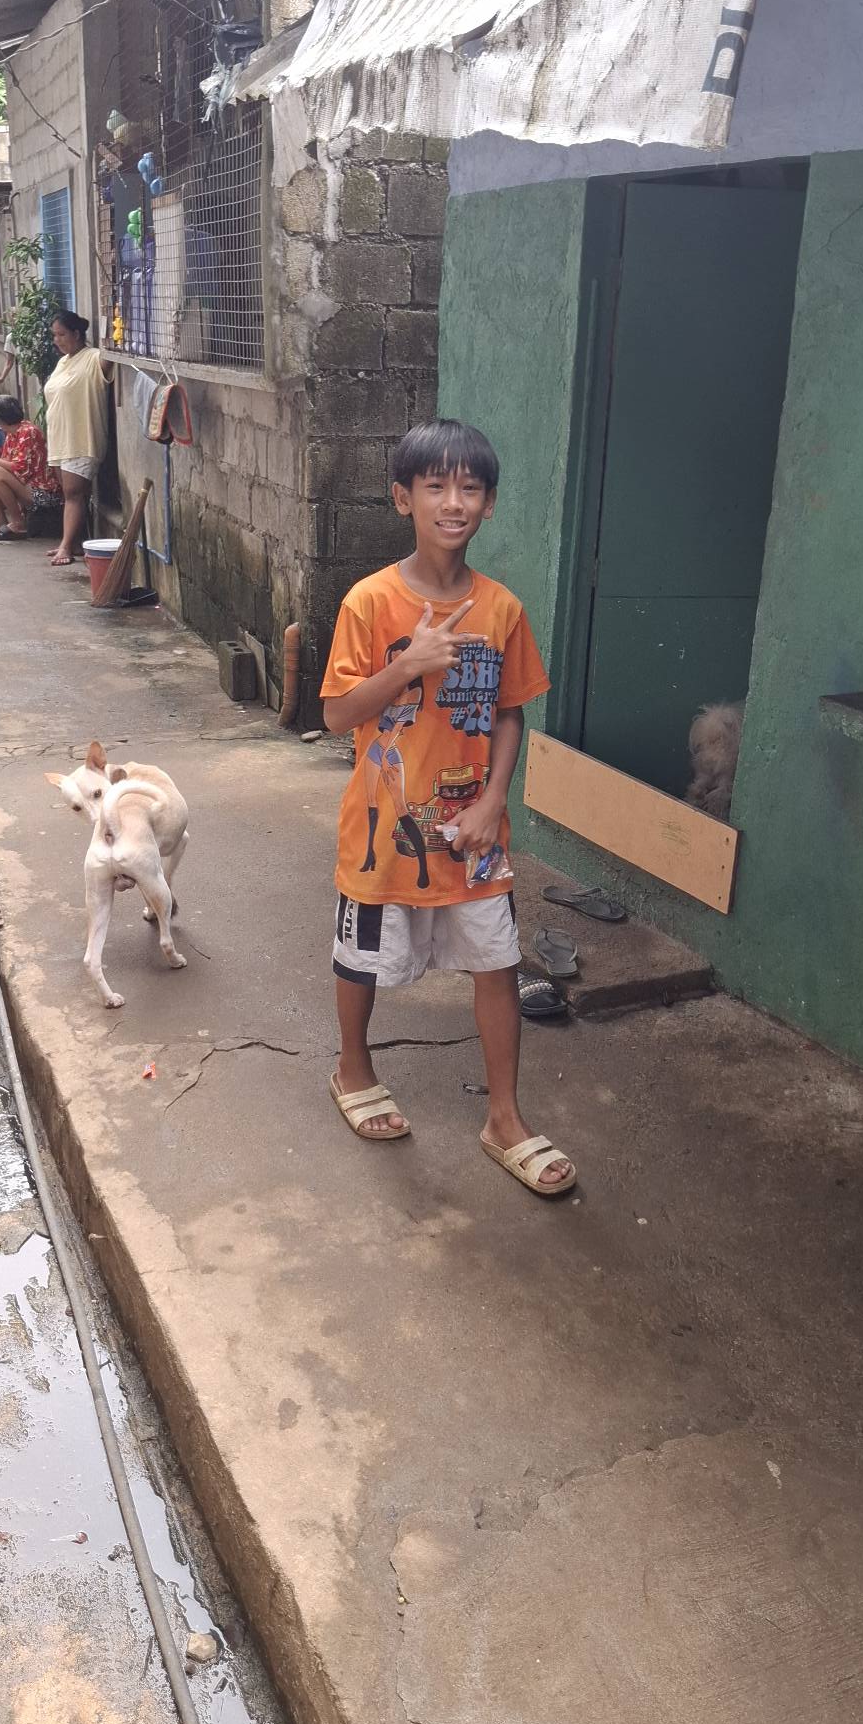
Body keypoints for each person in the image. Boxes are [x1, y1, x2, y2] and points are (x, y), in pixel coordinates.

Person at [320, 418, 576, 1196]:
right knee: (362, 958)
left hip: (473, 832)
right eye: (436, 486)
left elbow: (510, 713)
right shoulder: (370, 603)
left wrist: (495, 802)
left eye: (470, 488)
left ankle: (505, 1117)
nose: (454, 502)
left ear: (489, 503)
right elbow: (336, 714)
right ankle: (353, 1068)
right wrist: (412, 664)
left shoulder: (502, 610)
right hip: (383, 829)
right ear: (404, 498)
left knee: (497, 961)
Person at [44, 310, 114, 566]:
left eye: (61, 334)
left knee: (73, 493)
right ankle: (72, 542)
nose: (57, 340)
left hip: (81, 438)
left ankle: (65, 547)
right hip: (60, 440)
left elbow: (111, 355)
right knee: (71, 495)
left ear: (77, 334)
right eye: (54, 335)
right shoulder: (63, 362)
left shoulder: (93, 358)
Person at [0, 394, 61, 540]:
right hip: (26, 484)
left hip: (42, 492)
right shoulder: (12, 433)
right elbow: (5, 461)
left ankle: (18, 523)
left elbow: (18, 467)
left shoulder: (28, 432)